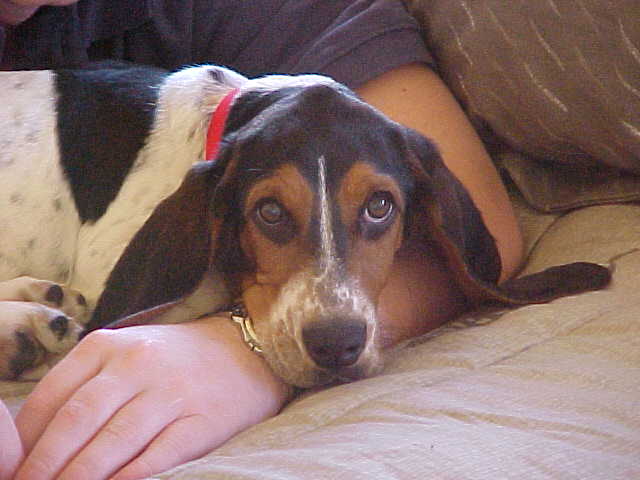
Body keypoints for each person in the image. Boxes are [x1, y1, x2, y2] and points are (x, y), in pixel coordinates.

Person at [0, 1, 523, 478]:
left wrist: (238, 348)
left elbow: (486, 235)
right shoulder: (187, 172)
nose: (331, 301)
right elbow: (115, 306)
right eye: (273, 213)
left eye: (378, 208)